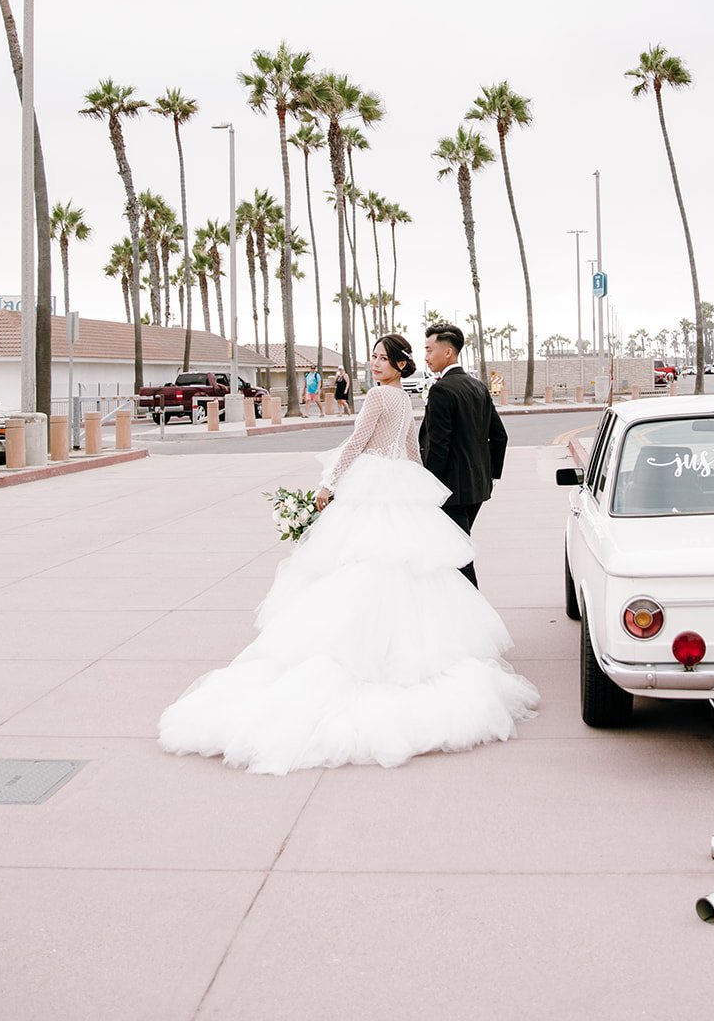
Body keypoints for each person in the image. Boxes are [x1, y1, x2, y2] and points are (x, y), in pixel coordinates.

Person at [158, 332, 538, 773]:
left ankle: (360, 655)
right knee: (410, 572)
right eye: (373, 358)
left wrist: (328, 484)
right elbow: (412, 451)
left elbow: (357, 445)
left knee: (358, 568)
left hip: (373, 487)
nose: (375, 364)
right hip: (397, 485)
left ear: (400, 364)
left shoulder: (379, 398)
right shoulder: (405, 400)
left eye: (383, 358)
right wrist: (419, 491)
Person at [421, 323, 508, 588]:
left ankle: (475, 614)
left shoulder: (442, 390)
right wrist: (490, 475)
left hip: (450, 491)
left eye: (429, 349)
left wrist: (429, 488)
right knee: (455, 548)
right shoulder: (478, 386)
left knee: (458, 555)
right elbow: (500, 436)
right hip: (477, 488)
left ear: (448, 353)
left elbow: (438, 447)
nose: (425, 355)